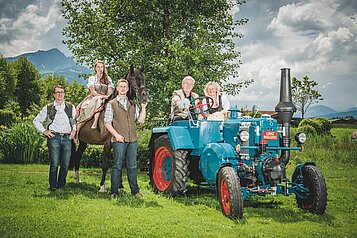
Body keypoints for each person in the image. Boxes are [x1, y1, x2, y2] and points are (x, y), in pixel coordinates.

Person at [104, 79, 147, 199]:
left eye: (125, 87)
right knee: (117, 165)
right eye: (121, 86)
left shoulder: (132, 104)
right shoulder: (111, 104)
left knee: (132, 166)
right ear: (117, 89)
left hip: (132, 140)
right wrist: (116, 135)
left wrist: (143, 108)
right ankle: (114, 192)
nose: (123, 89)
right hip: (118, 140)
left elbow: (141, 121)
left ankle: (135, 191)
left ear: (128, 89)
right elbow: (107, 123)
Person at [33, 85, 76, 191]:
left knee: (65, 164)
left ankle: (61, 185)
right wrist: (44, 131)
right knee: (54, 163)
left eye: (62, 92)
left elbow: (75, 121)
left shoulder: (70, 107)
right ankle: (53, 186)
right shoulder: (48, 107)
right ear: (54, 94)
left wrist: (74, 130)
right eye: (57, 92)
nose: (60, 94)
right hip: (54, 138)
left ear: (64, 93)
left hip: (67, 138)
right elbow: (36, 121)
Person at [76, 60, 114, 140]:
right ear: (95, 68)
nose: (100, 69)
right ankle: (94, 122)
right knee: (97, 100)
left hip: (106, 98)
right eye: (98, 67)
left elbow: (110, 91)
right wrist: (102, 96)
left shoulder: (108, 79)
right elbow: (93, 91)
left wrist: (107, 96)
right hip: (94, 97)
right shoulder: (92, 78)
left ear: (104, 68)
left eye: (102, 67)